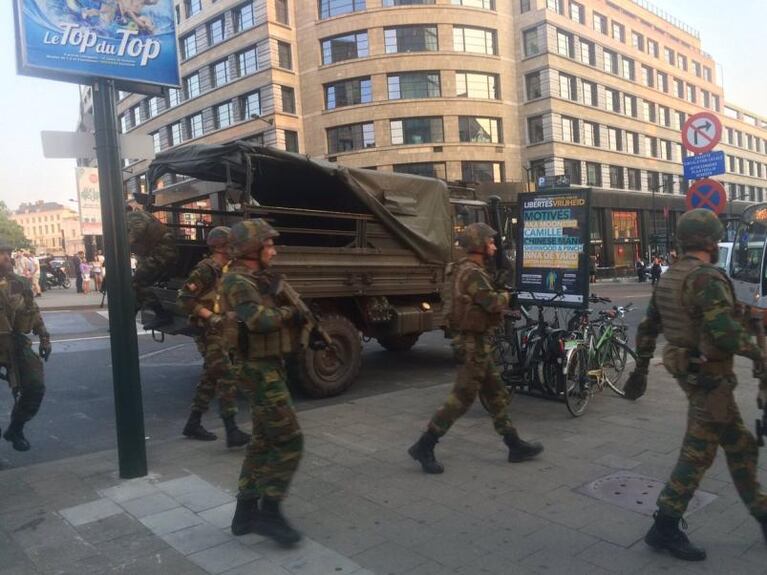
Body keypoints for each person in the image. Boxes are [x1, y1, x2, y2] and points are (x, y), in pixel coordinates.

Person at [624, 209, 767, 562]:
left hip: (690, 372)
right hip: (708, 378)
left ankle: (763, 515)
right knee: (698, 452)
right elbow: (724, 333)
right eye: (717, 238)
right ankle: (665, 525)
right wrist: (759, 354)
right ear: (709, 240)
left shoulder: (673, 275)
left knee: (740, 444)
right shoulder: (706, 277)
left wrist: (639, 372)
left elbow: (648, 327)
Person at [408, 223, 543, 475]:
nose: (494, 245)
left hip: (475, 341)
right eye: (490, 242)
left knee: (496, 394)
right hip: (472, 344)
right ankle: (424, 445)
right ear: (479, 245)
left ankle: (514, 445)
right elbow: (491, 303)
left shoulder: (464, 268)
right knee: (462, 398)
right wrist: (506, 294)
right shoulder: (472, 273)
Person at [221, 219, 305, 546]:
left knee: (262, 440)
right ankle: (269, 513)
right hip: (257, 369)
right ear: (253, 248)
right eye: (269, 244)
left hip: (267, 365)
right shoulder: (238, 282)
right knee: (290, 439)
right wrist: (289, 315)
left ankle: (244, 515)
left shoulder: (256, 278)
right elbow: (258, 321)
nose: (274, 249)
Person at [178, 226, 250, 448]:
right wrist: (211, 317)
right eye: (231, 244)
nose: (234, 248)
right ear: (220, 246)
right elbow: (185, 297)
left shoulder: (224, 269)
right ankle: (231, 430)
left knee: (210, 377)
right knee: (226, 375)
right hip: (208, 332)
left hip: (220, 331)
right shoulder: (206, 269)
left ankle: (193, 423)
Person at [0, 239, 51, 451]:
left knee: (35, 385)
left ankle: (16, 427)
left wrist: (44, 336)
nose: (7, 257)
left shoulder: (19, 282)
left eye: (8, 253)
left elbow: (33, 310)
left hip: (16, 341)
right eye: (2, 253)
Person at [126, 206, 178, 312]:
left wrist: (124, 243)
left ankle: (161, 314)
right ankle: (129, 315)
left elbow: (138, 232)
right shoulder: (136, 215)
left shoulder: (133, 216)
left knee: (138, 283)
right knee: (137, 283)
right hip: (159, 251)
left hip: (162, 250)